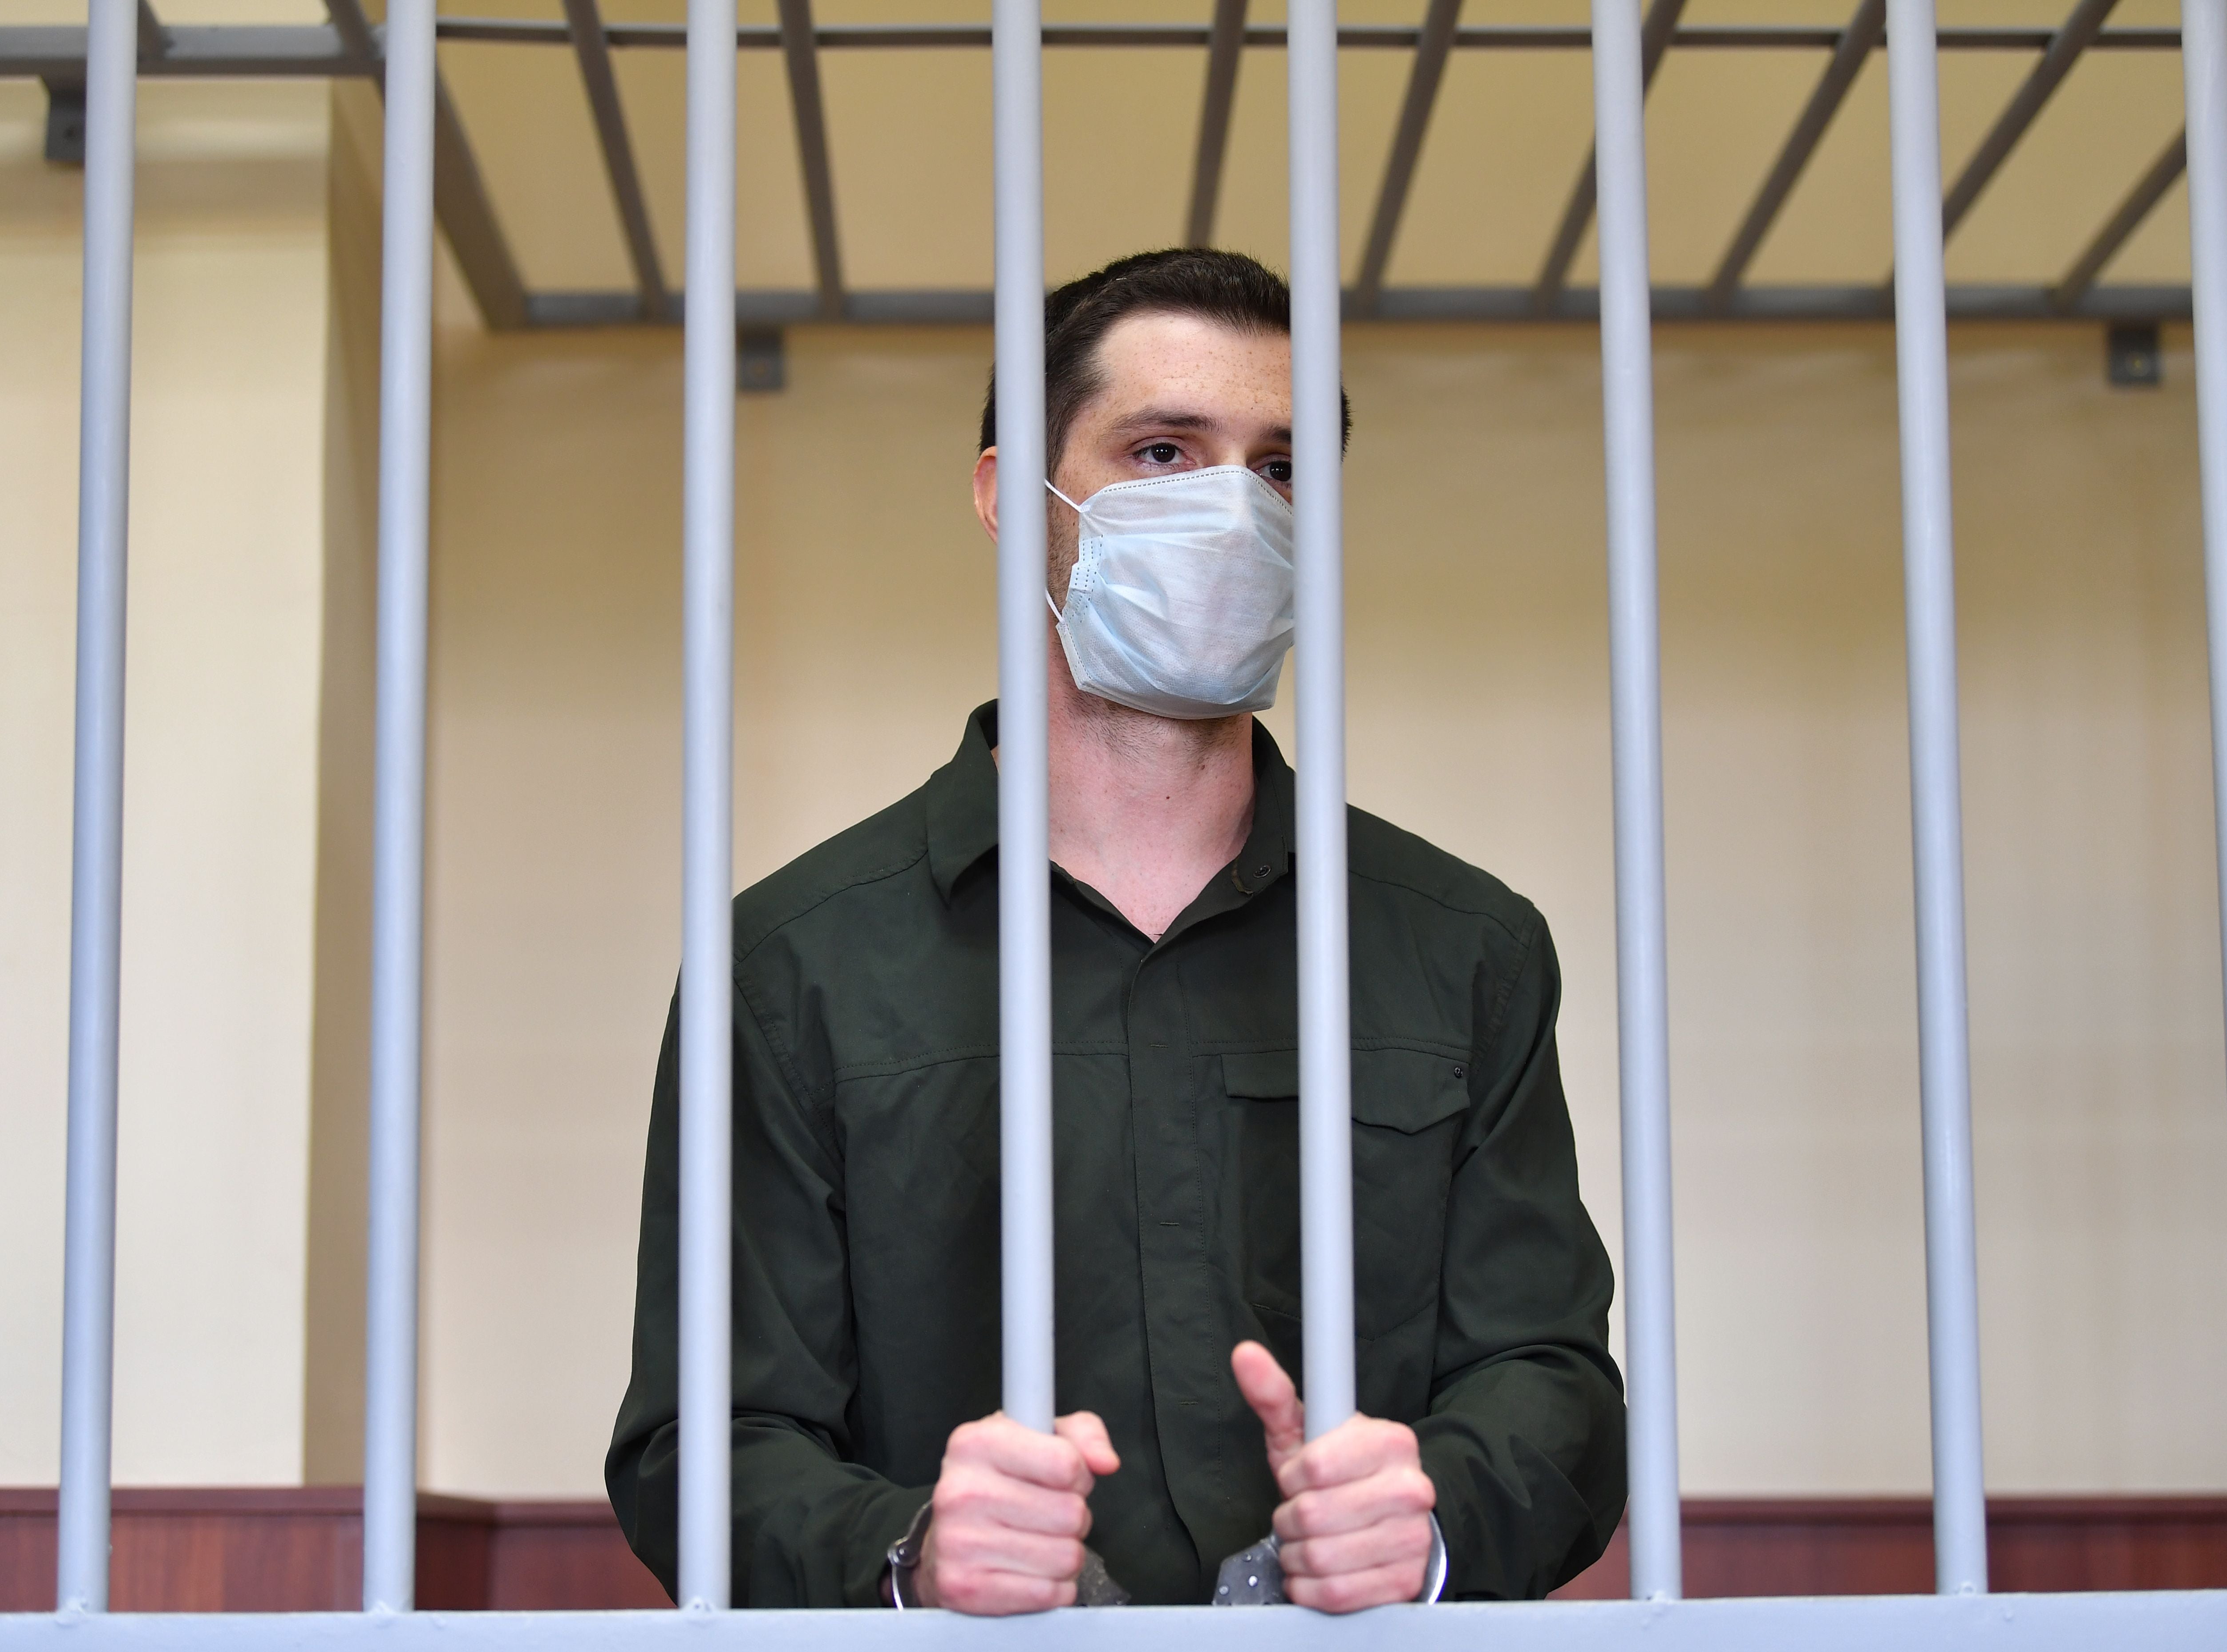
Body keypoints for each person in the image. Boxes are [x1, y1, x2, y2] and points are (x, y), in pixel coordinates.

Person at [606, 248, 1625, 1612]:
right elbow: (701, 1445)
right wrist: (906, 1550)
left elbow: (1552, 1381)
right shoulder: (789, 968)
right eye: (1161, 451)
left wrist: (1430, 1527)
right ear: (1008, 501)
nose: (1230, 508)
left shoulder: (1467, 948)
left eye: (1277, 469)